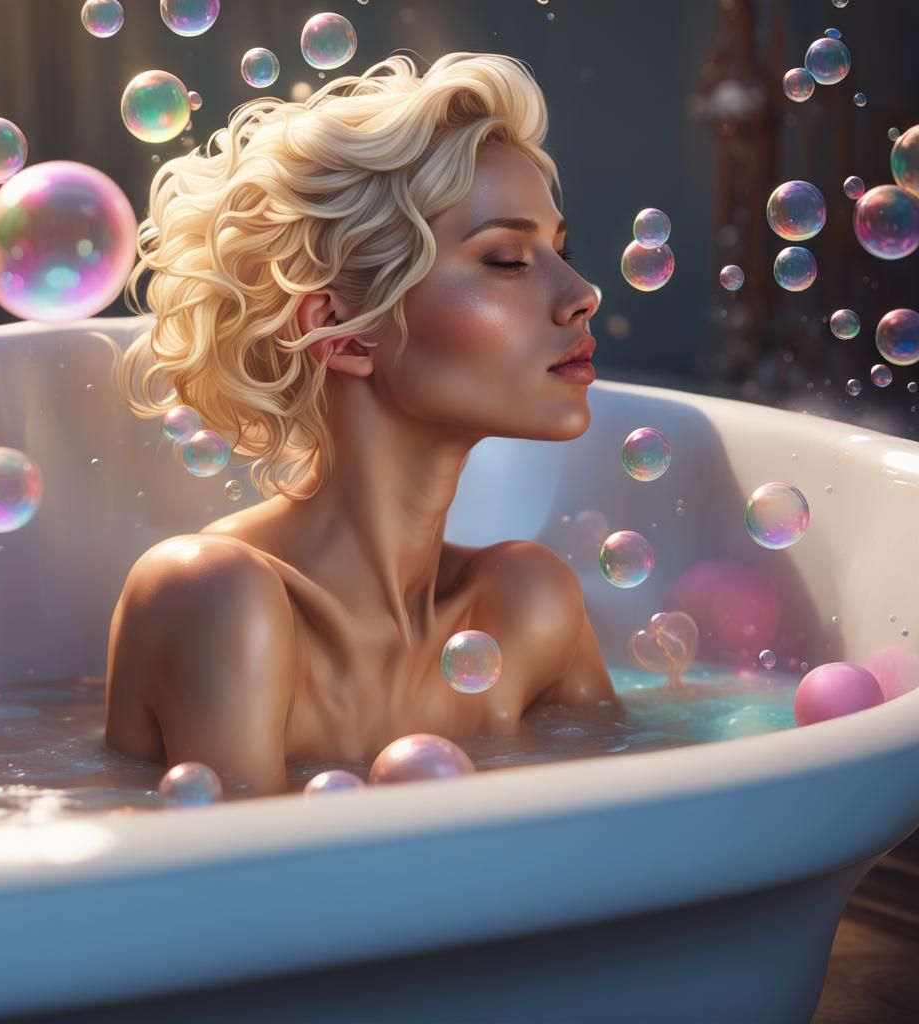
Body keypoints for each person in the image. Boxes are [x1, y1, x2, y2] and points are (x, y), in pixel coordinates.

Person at [105, 51, 623, 798]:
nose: (582, 293)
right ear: (344, 332)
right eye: (508, 259)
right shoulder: (220, 598)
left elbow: (632, 845)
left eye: (561, 251)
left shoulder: (526, 603)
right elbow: (255, 903)